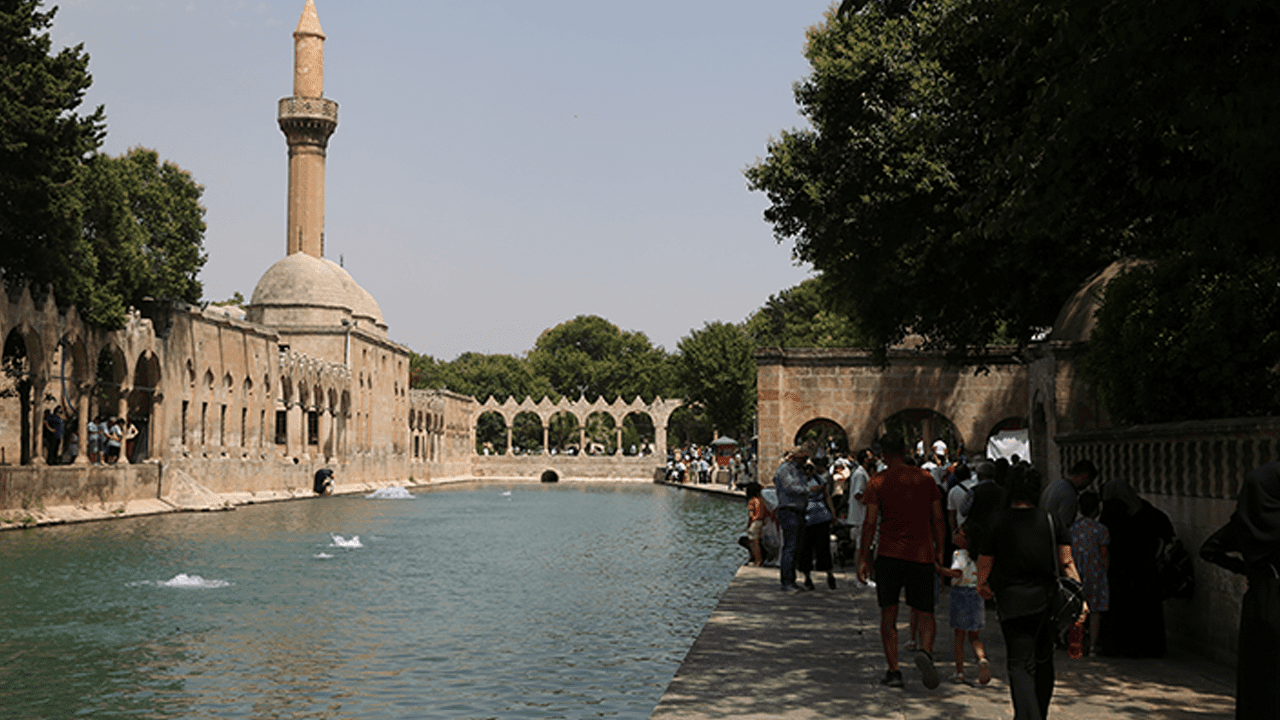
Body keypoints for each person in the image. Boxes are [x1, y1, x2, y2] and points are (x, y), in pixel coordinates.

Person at [976, 464, 1087, 720]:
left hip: (1012, 603)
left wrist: (982, 584)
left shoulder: (997, 521)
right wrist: (1079, 596)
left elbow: (985, 562)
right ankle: (1039, 713)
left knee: (1019, 663)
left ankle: (1028, 716)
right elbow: (1067, 562)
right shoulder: (1051, 520)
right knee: (1043, 659)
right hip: (1047, 602)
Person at [856, 433, 945, 689]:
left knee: (889, 614)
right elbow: (937, 517)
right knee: (926, 612)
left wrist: (863, 558)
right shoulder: (926, 479)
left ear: (883, 454)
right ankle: (925, 652)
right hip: (922, 554)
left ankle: (894, 671)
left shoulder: (877, 481)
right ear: (905, 450)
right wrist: (939, 550)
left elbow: (870, 523)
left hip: (889, 554)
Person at [1200, 461, 1280, 719]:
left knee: (1257, 671)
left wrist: (1247, 568)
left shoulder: (1244, 521)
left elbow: (1209, 549)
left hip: (1259, 601)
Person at [1099, 478, 1174, 657]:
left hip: (1119, 571)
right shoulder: (1147, 510)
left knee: (1121, 610)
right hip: (1145, 571)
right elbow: (1166, 533)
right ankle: (1149, 647)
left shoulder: (1112, 511)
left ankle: (1120, 647)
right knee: (1146, 611)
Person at [939, 528, 991, 685]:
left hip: (961, 595)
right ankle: (981, 658)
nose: (954, 534)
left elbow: (957, 573)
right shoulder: (979, 556)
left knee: (959, 636)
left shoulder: (959, 555)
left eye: (958, 533)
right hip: (976, 594)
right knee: (974, 635)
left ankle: (959, 672)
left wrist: (940, 570)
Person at [1070, 491, 1110, 656]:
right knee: (1094, 611)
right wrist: (1104, 572)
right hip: (1095, 572)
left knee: (1077, 609)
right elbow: (1104, 553)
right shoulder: (1100, 529)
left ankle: (1076, 643)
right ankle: (1092, 646)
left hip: (1076, 572)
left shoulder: (1074, 528)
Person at [773, 443, 813, 592]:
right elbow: (790, 487)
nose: (806, 460)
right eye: (804, 457)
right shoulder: (785, 470)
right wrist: (808, 490)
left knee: (796, 547)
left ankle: (792, 579)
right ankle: (786, 581)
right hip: (789, 511)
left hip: (799, 512)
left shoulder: (798, 470)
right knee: (790, 546)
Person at [797, 456, 838, 590]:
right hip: (808, 518)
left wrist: (832, 513)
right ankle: (808, 576)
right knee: (806, 549)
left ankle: (829, 573)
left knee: (822, 548)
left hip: (819, 517)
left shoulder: (819, 480)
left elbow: (827, 497)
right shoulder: (800, 482)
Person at [1041, 459, 1098, 531]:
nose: (1087, 486)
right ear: (1084, 476)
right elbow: (1063, 525)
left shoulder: (1054, 484)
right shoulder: (1069, 494)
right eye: (1089, 481)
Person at [745, 483, 772, 567]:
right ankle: (758, 560)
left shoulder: (753, 500)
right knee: (757, 542)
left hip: (755, 522)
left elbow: (751, 515)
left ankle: (757, 560)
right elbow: (767, 513)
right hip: (761, 522)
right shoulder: (761, 500)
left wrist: (750, 523)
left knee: (754, 542)